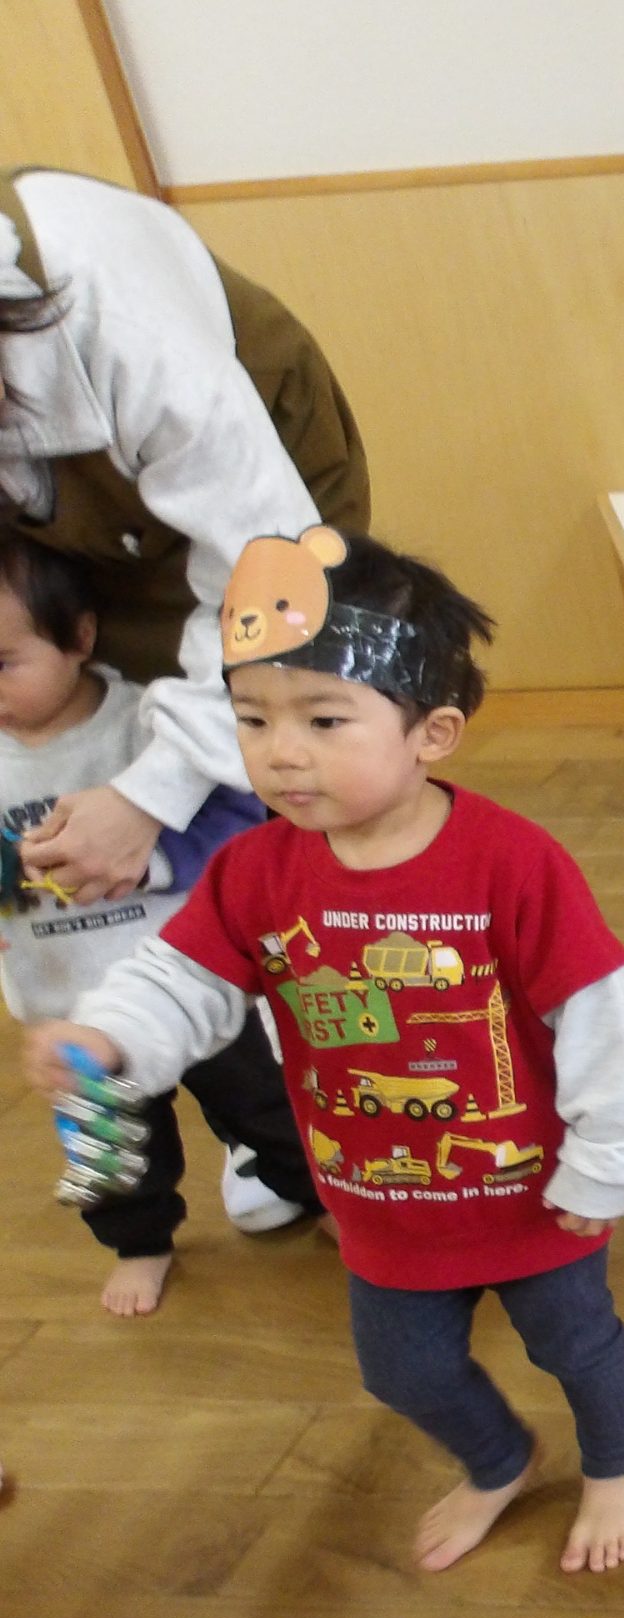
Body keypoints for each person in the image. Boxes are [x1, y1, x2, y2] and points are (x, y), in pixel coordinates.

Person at [19, 527, 624, 1574]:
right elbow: (180, 979)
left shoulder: (513, 864)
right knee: (402, 1372)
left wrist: (609, 1161)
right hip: (376, 1196)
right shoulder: (252, 871)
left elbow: (595, 1013)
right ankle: (500, 1458)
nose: (281, 752)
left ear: (432, 732)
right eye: (253, 718)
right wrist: (109, 1033)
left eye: (324, 719)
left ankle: (620, 1464)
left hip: (537, 1196)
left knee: (578, 1346)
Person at [1, 167, 366, 906]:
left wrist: (148, 800)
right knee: (98, 711)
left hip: (266, 518)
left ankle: (308, 920)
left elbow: (275, 580)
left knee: (283, 733)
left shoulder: (125, 326)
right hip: (80, 516)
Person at [1, 532, 315, 1314]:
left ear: (79, 637)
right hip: (70, 1010)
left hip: (196, 984)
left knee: (271, 1110)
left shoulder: (150, 726)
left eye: (3, 663)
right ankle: (141, 1244)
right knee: (110, 1157)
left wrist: (151, 858)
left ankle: (316, 1194)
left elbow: (238, 823)